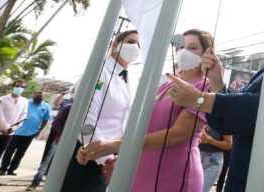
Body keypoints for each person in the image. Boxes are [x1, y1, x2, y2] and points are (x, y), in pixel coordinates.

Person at [165, 5, 264, 192]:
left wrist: (199, 99)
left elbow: (259, 111)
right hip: (244, 168)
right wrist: (217, 80)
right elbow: (239, 108)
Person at [77, 29, 213, 191]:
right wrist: (98, 148)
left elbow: (178, 134)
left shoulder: (205, 87)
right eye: (181, 47)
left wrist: (116, 145)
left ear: (206, 54)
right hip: (143, 167)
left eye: (192, 48)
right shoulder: (166, 85)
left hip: (175, 169)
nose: (184, 52)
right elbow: (141, 127)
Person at [60, 29, 140, 192]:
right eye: (131, 42)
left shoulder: (133, 80)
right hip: (87, 154)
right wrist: (106, 159)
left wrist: (117, 157)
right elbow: (86, 121)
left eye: (139, 45)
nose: (136, 47)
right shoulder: (98, 71)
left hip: (113, 157)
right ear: (116, 45)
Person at [0, 90, 51, 176]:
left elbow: (45, 119)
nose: (38, 97)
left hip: (31, 133)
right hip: (16, 131)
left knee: (21, 152)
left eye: (40, 96)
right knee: (9, 151)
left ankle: (12, 169)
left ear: (43, 97)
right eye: (37, 95)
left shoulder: (46, 106)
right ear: (33, 95)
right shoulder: (25, 102)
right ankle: (3, 169)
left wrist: (39, 130)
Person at [27, 101, 73, 190]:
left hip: (72, 142)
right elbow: (56, 122)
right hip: (60, 139)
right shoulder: (68, 108)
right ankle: (35, 183)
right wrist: (59, 134)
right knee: (47, 161)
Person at [199, 124, 233, 192]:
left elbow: (229, 144)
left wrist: (209, 140)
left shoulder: (222, 121)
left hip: (213, 163)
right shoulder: (197, 117)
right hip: (195, 159)